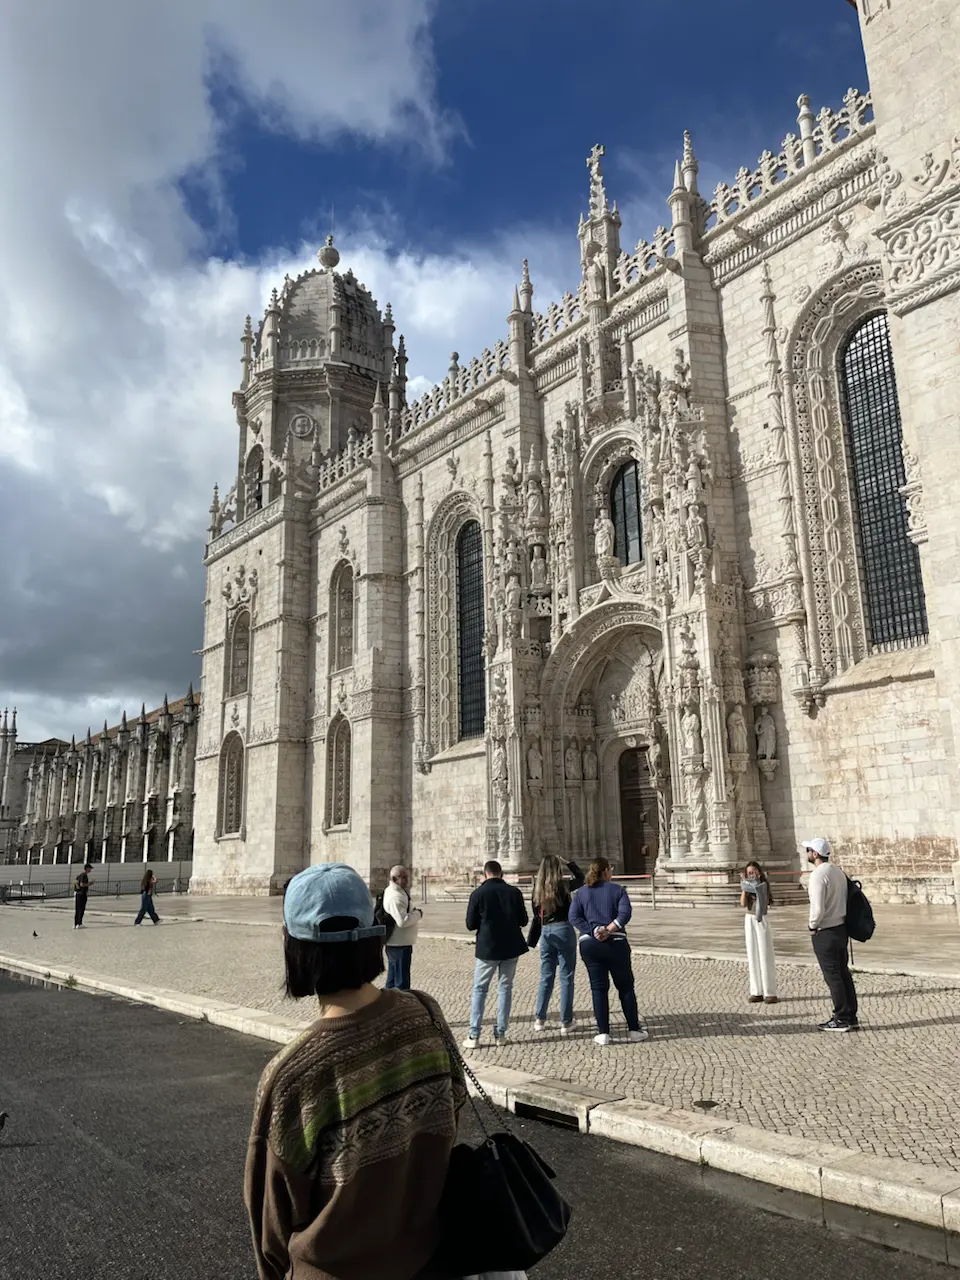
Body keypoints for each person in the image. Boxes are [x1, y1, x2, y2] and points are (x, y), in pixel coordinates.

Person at [244, 862, 469, 1280]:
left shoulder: (295, 1074)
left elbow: (271, 1230)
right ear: (374, 937)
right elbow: (453, 1114)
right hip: (432, 1259)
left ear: (292, 947)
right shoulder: (427, 1014)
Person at [569, 858, 648, 1046]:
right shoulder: (617, 890)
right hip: (616, 943)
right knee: (625, 987)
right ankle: (634, 1030)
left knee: (598, 988)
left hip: (590, 944)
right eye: (610, 869)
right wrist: (609, 929)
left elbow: (573, 916)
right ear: (606, 871)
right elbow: (625, 914)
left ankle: (603, 1032)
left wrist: (593, 930)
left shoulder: (581, 893)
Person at [464, 860, 528, 1049]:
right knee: (505, 988)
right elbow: (523, 920)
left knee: (480, 989)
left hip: (487, 948)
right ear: (501, 874)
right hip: (510, 947)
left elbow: (470, 924)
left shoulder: (478, 894)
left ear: (485, 874)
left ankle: (474, 1035)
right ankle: (500, 1034)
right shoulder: (514, 893)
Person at [805, 837, 859, 1032]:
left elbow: (817, 907)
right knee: (843, 974)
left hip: (825, 931)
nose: (807, 853)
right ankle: (851, 1015)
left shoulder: (818, 875)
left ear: (815, 854)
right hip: (840, 928)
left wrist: (812, 925)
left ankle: (841, 1018)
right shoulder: (837, 871)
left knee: (833, 976)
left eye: (808, 850)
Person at [530, 856, 584, 1035]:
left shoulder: (537, 889)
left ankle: (540, 1019)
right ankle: (566, 1022)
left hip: (546, 932)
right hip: (563, 929)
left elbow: (536, 914)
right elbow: (581, 878)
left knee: (546, 976)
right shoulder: (563, 885)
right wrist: (569, 862)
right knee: (566, 976)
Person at [740, 861, 777, 1004]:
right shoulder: (746, 885)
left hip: (761, 918)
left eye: (753, 872)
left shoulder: (763, 885)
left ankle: (770, 992)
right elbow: (743, 903)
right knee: (752, 954)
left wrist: (755, 884)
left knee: (765, 954)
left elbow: (765, 901)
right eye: (749, 872)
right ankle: (756, 991)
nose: (751, 874)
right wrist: (744, 887)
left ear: (759, 872)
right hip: (749, 918)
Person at [383, 864, 422, 991]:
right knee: (401, 983)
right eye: (403, 877)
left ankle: (388, 1006)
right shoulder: (395, 897)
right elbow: (403, 921)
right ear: (394, 879)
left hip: (398, 942)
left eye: (407, 877)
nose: (407, 880)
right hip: (399, 944)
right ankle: (399, 1008)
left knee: (394, 979)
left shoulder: (397, 892)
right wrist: (418, 914)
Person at [74, 862, 93, 929]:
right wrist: (89, 884)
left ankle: (76, 923)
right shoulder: (84, 875)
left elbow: (76, 881)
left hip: (78, 893)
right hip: (82, 894)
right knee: (81, 909)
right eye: (90, 868)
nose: (91, 870)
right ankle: (79, 923)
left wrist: (77, 888)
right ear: (87, 869)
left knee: (77, 909)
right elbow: (82, 884)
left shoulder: (80, 875)